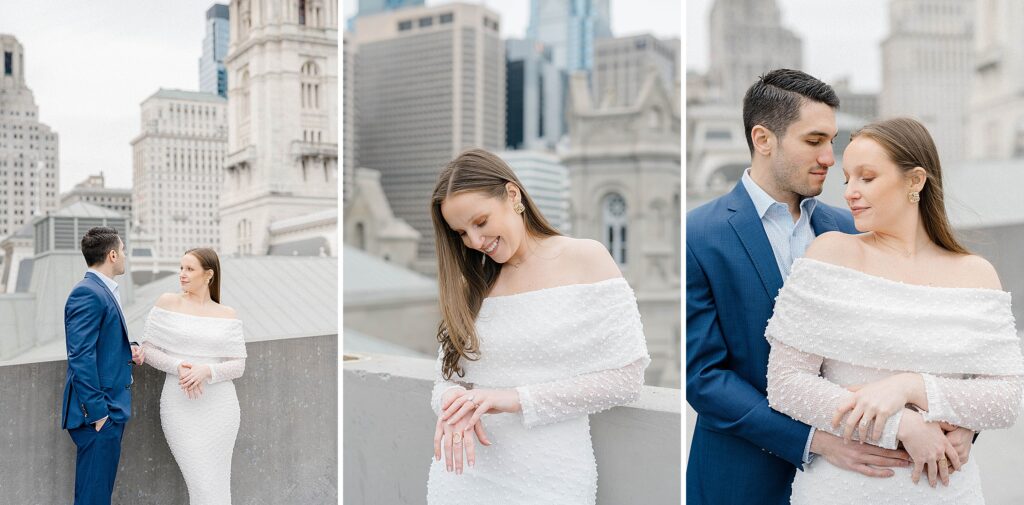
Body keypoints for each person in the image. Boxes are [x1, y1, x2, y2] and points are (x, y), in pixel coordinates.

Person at [685, 69, 976, 505]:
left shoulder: (852, 228)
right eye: (814, 140)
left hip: (864, 480)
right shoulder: (698, 234)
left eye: (831, 141)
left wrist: (964, 426)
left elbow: (921, 340)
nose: (829, 157)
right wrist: (814, 438)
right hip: (742, 477)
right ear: (763, 139)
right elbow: (704, 378)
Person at [765, 116, 1024, 503]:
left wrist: (909, 386)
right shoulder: (832, 253)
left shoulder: (976, 273)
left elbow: (1006, 399)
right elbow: (786, 384)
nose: (851, 191)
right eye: (847, 179)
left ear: (915, 181)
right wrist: (900, 424)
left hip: (947, 492)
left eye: (866, 178)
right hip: (844, 490)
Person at [424, 148, 650, 504]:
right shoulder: (470, 284)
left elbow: (627, 380)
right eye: (461, 232)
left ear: (512, 195)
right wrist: (453, 403)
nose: (474, 241)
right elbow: (447, 379)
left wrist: (515, 399)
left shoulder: (585, 258)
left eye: (480, 222)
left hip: (550, 478)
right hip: (462, 478)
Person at [139, 248, 247, 504]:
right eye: (181, 268)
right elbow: (147, 350)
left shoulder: (226, 314)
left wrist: (206, 370)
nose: (182, 275)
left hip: (221, 407)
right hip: (180, 406)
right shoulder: (168, 302)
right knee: (201, 484)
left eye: (189, 269)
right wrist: (179, 367)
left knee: (219, 485)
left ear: (208, 275)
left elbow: (238, 365)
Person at [62, 226, 144, 505]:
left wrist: (128, 348)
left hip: (109, 411)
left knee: (97, 495)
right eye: (122, 251)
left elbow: (102, 340)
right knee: (93, 498)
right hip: (98, 415)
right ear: (111, 255)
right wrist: (99, 414)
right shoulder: (88, 293)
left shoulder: (102, 290)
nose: (124, 256)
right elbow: (80, 356)